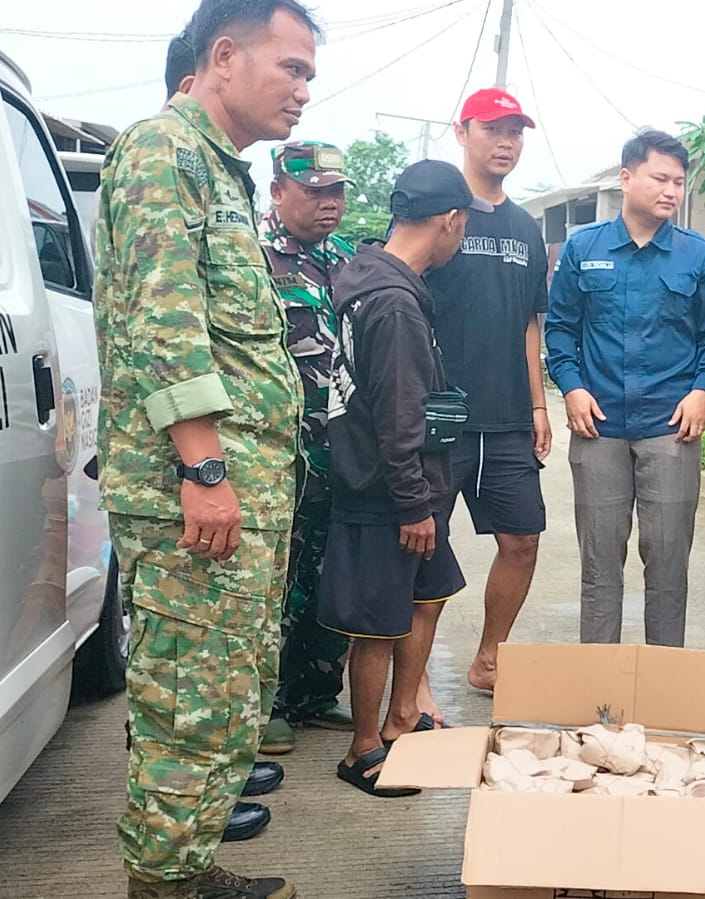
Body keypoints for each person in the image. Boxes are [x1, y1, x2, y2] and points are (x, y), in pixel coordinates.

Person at [95, 1, 316, 896]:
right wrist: (205, 467)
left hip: (238, 499)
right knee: (189, 706)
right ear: (225, 56)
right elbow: (165, 319)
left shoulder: (220, 171)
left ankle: (185, 869)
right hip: (194, 496)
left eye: (309, 75)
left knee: (226, 701)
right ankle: (162, 885)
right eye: (291, 67)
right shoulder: (163, 151)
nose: (302, 90)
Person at [319, 160, 488, 798]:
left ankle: (403, 716)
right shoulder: (392, 305)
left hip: (410, 485)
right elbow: (398, 415)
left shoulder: (374, 276)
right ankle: (364, 748)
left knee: (429, 592)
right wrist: (414, 504)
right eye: (463, 225)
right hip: (388, 492)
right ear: (451, 220)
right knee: (377, 622)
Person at [544, 129, 705, 647]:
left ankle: (661, 681)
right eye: (660, 178)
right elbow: (560, 327)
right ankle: (598, 681)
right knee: (599, 565)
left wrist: (702, 391)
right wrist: (571, 387)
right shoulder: (585, 248)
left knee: (668, 564)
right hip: (598, 425)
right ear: (626, 178)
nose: (671, 191)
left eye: (679, 182)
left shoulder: (696, 256)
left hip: (670, 428)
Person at [424, 88, 551, 697]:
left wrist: (538, 405)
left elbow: (529, 322)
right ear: (462, 131)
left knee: (522, 540)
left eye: (515, 132)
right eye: (493, 129)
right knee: (422, 545)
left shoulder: (525, 228)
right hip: (438, 416)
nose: (506, 142)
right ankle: (413, 676)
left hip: (506, 419)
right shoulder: (437, 214)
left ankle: (489, 658)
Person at [256, 141, 356, 755]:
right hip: (281, 455)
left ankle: (315, 691)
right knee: (278, 578)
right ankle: (265, 703)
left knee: (328, 572)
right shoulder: (255, 259)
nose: (329, 202)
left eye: (336, 191)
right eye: (315, 190)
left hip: (340, 451)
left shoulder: (347, 261)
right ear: (278, 191)